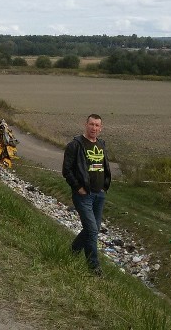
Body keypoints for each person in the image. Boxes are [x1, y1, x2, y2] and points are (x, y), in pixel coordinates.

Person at [62, 114, 112, 276]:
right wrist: (78, 188)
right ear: (86, 125)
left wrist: (105, 186)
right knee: (91, 230)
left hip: (99, 194)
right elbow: (67, 170)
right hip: (83, 195)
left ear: (101, 128)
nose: (94, 128)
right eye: (92, 124)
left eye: (97, 125)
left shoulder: (101, 144)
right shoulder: (75, 145)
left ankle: (73, 251)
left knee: (94, 228)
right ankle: (94, 267)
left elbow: (104, 167)